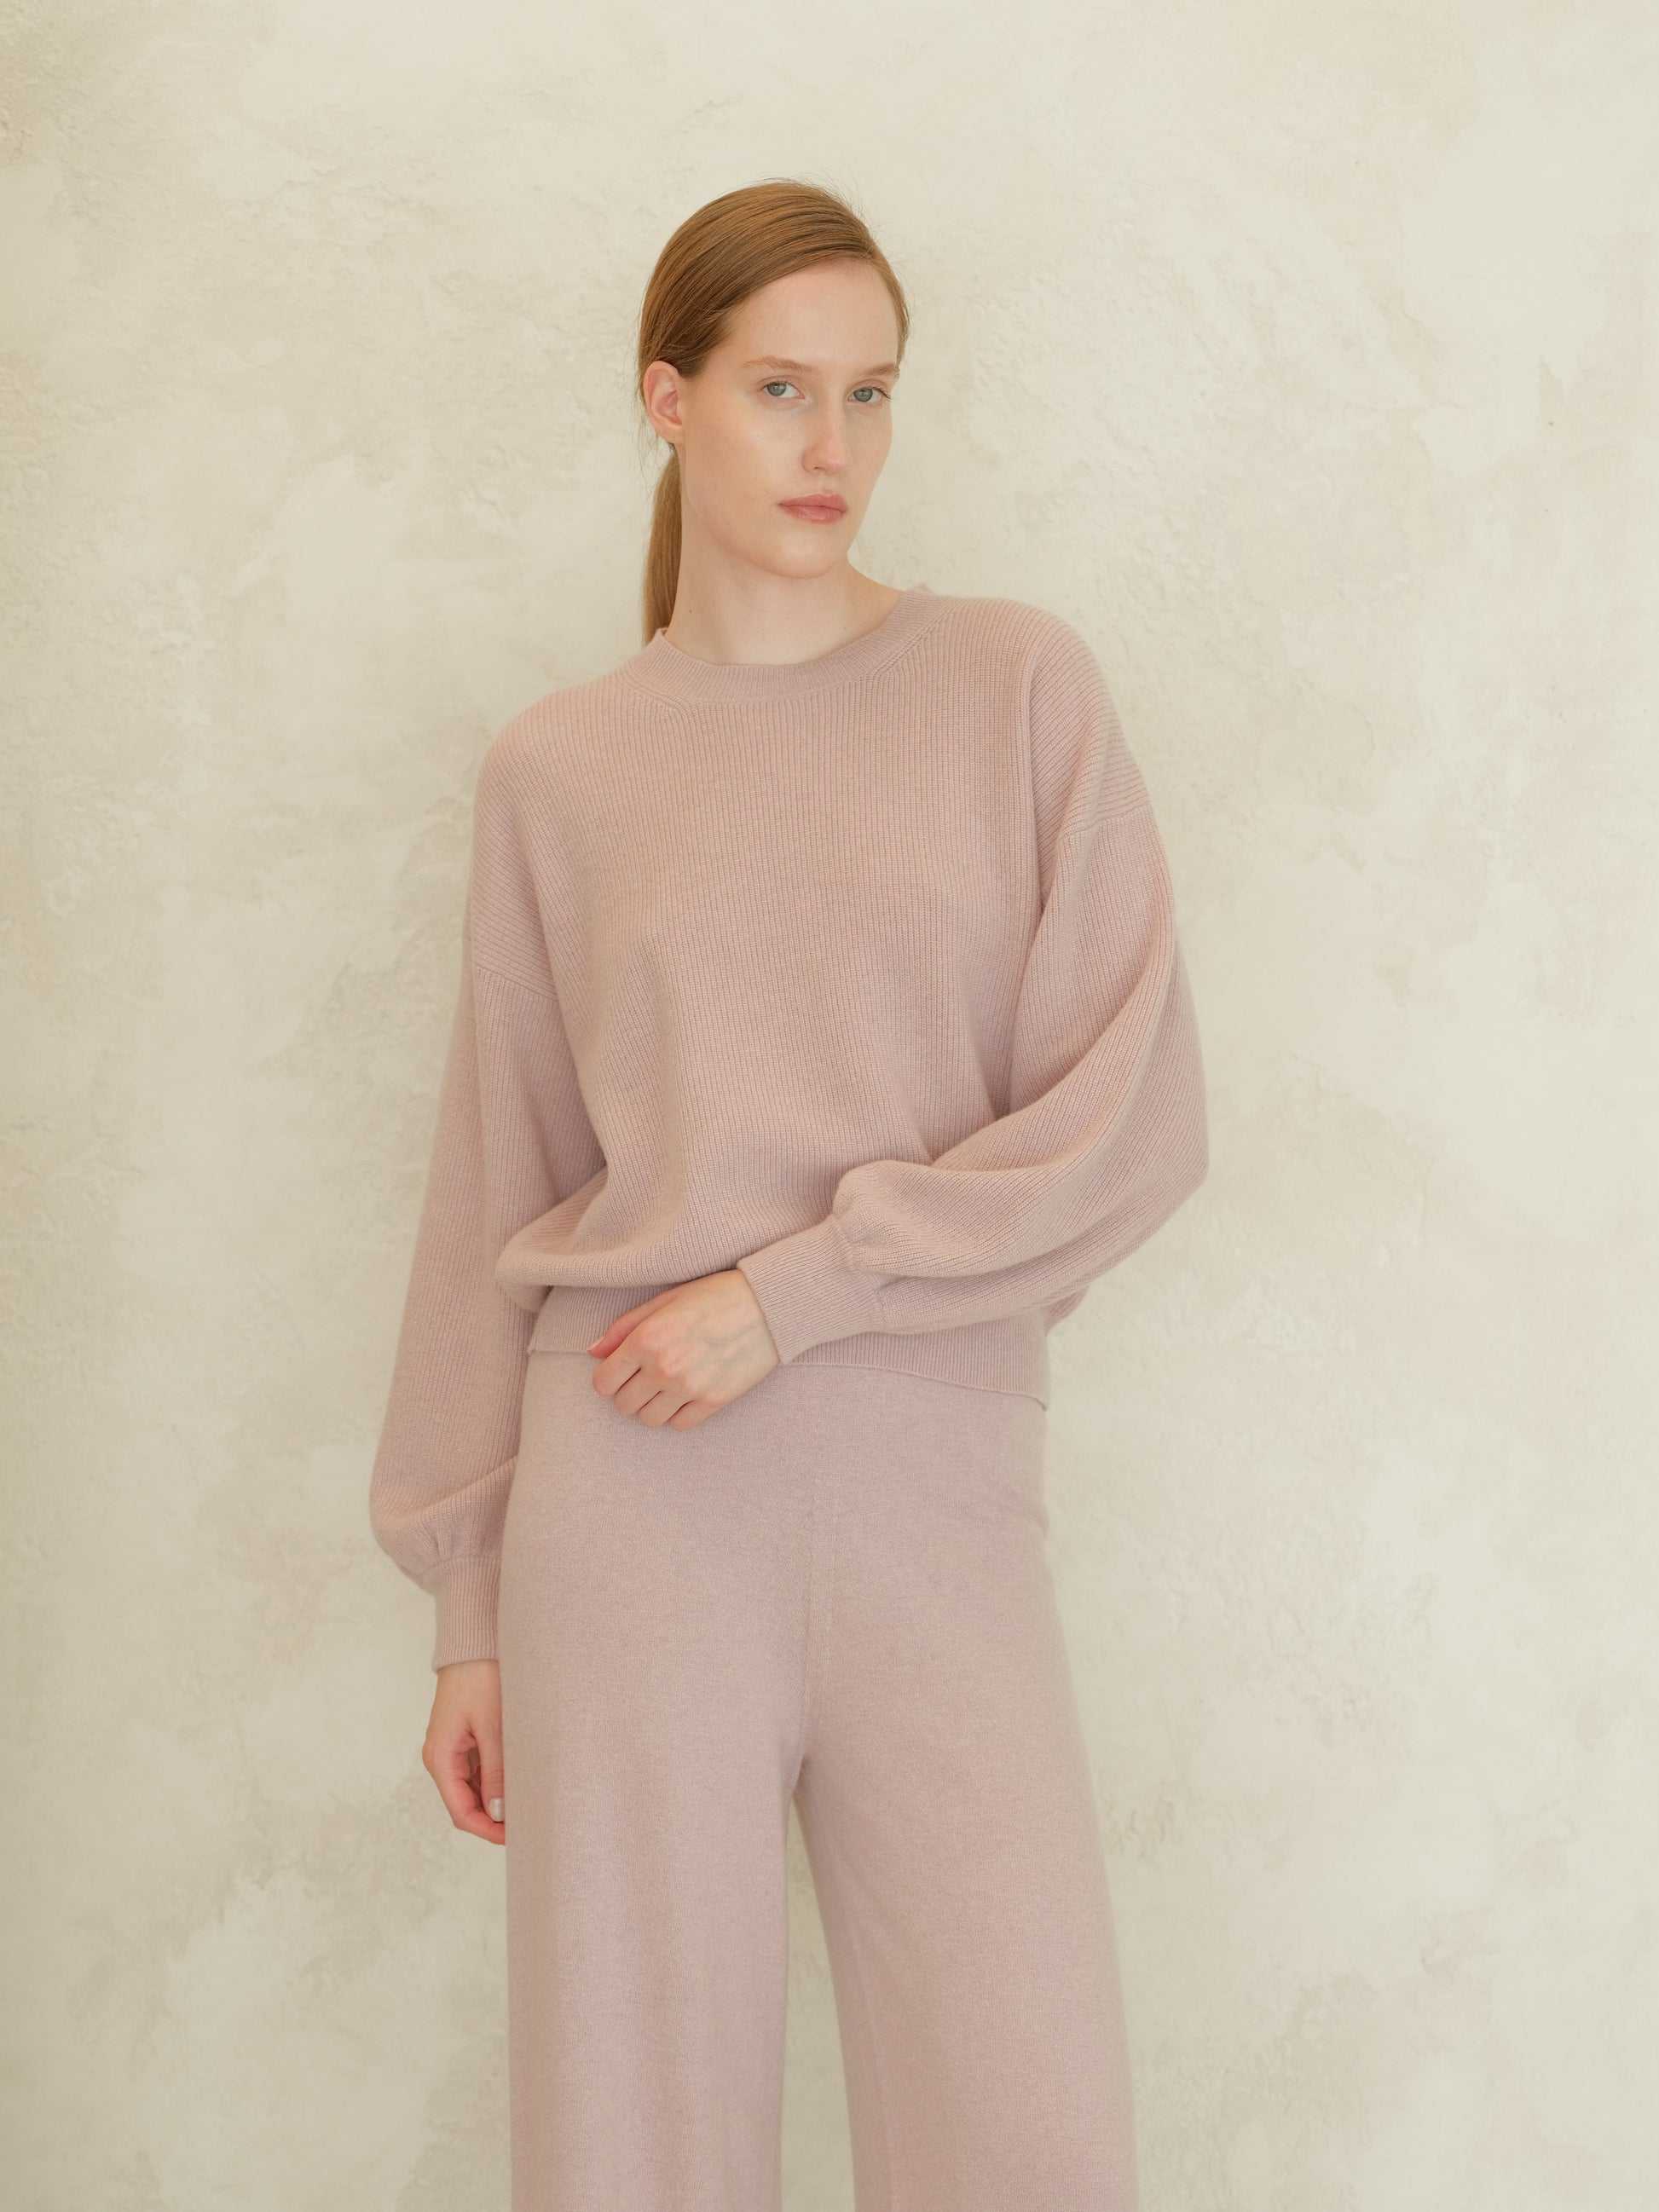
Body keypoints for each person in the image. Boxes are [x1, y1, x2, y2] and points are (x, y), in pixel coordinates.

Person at [369, 177, 1208, 2212]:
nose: (832, 443)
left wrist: (802, 1290)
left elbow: (1133, 1113)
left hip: (931, 1471)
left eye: (870, 392)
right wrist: (468, 1606)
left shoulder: (1015, 687)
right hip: (628, 1486)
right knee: (631, 2135)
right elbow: (499, 1171)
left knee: (1028, 2124)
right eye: (777, 388)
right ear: (667, 400)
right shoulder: (560, 770)